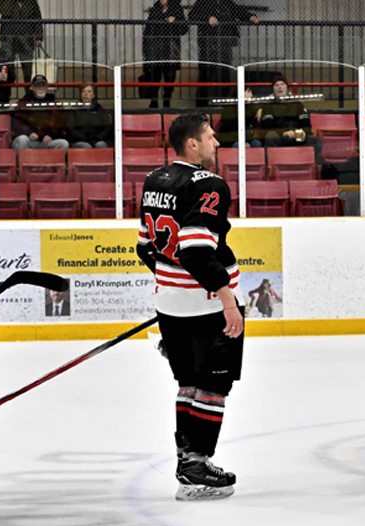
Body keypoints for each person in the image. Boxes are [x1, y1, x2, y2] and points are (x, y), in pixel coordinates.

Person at [136, 112, 244, 501]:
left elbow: (145, 247)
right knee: (214, 386)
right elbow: (197, 251)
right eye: (211, 137)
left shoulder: (154, 180)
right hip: (205, 304)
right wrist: (227, 301)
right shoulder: (210, 184)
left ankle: (187, 458)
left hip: (170, 304)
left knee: (188, 384)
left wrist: (171, 286)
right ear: (192, 144)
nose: (217, 143)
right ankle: (197, 462)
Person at [188, 0, 259, 105]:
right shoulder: (202, 2)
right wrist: (207, 18)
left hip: (225, 43)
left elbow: (239, 11)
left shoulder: (227, 3)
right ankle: (202, 104)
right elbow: (192, 16)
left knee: (225, 73)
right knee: (206, 74)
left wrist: (251, 16)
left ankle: (223, 102)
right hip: (208, 43)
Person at [256, 77, 323, 161]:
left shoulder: (297, 104)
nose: (280, 87)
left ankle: (310, 167)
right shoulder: (267, 105)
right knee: (270, 136)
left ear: (286, 87)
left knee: (316, 141)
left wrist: (303, 133)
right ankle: (273, 166)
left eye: (282, 84)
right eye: (277, 85)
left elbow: (307, 125)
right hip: (279, 136)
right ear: (273, 89)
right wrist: (284, 133)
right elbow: (267, 127)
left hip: (296, 136)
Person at [141, 0, 187, 109]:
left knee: (170, 76)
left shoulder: (176, 9)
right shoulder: (155, 9)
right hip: (155, 48)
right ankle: (154, 101)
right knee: (154, 76)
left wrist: (175, 22)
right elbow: (147, 30)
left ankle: (167, 101)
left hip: (170, 48)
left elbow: (184, 29)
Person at [12, 75, 70, 153]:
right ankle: (21, 164)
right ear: (32, 88)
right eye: (37, 86)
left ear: (47, 87)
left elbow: (62, 122)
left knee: (63, 144)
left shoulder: (55, 103)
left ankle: (52, 165)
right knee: (22, 139)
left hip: (47, 141)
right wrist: (28, 133)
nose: (40, 88)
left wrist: (51, 135)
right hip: (29, 140)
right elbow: (16, 122)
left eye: (42, 85)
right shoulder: (23, 103)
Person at [0, 0, 43, 84]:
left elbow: (37, 17)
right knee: (8, 65)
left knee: (27, 67)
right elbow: (5, 11)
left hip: (27, 37)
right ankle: (7, 91)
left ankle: (28, 91)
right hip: (8, 37)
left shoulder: (31, 2)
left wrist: (39, 37)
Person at [66, 83, 111, 149]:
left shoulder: (99, 110)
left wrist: (98, 137)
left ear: (93, 95)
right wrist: (83, 138)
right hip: (79, 141)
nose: (86, 94)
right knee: (86, 146)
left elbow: (107, 127)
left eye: (89, 91)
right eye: (83, 91)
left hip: (97, 140)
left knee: (101, 145)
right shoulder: (74, 110)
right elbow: (70, 128)